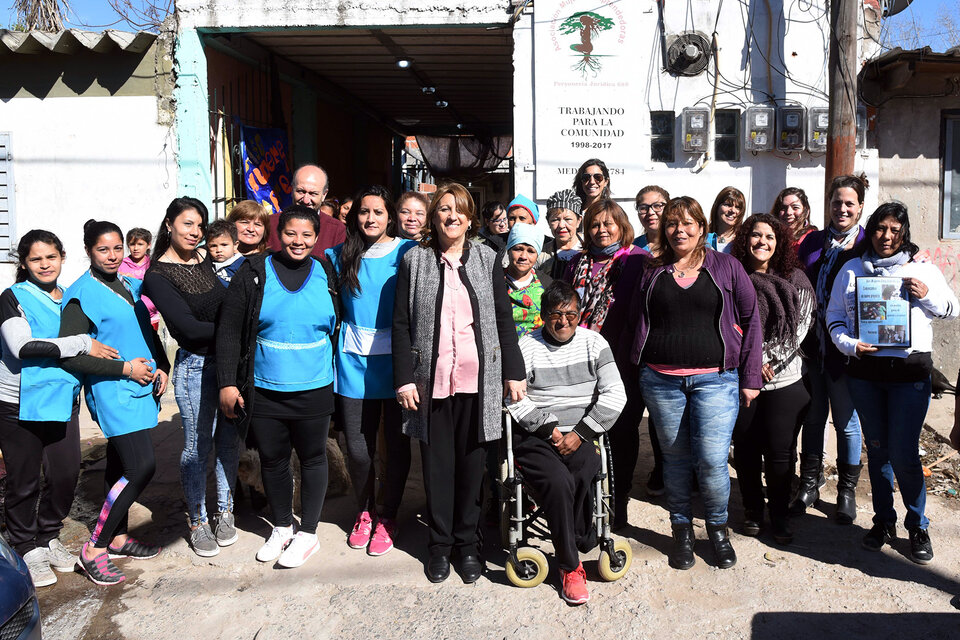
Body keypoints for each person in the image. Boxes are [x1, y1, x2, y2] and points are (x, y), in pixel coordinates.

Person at [392, 182, 525, 584]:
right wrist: (404, 379)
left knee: (472, 467)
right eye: (444, 209)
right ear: (434, 217)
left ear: (470, 217)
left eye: (460, 209)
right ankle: (440, 546)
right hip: (429, 384)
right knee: (436, 468)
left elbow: (503, 319)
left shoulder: (487, 258)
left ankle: (468, 546)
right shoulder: (415, 260)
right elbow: (400, 324)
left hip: (477, 381)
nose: (452, 216)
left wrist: (513, 371)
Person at [627, 196, 761, 571]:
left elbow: (751, 320)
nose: (679, 230)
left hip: (716, 381)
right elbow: (635, 321)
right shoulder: (651, 269)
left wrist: (750, 376)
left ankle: (717, 531)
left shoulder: (727, 266)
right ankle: (681, 530)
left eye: (688, 223)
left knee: (713, 460)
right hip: (660, 381)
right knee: (674, 460)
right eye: (672, 223)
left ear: (702, 228)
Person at [827, 202, 958, 564]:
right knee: (879, 450)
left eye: (894, 230)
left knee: (904, 453)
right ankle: (884, 520)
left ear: (904, 234)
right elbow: (834, 317)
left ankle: (918, 524)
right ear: (872, 230)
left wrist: (926, 294)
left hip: (909, 377)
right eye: (881, 229)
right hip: (866, 376)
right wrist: (850, 345)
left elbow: (951, 308)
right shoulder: (852, 270)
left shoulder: (922, 270)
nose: (886, 237)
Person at [217, 205, 339, 569]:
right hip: (265, 387)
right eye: (290, 233)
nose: (298, 241)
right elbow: (229, 330)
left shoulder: (326, 271)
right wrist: (226, 382)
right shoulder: (254, 273)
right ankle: (283, 526)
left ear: (316, 238)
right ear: (277, 234)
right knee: (273, 459)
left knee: (314, 457)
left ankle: (309, 533)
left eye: (306, 235)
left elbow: (339, 322)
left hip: (315, 386)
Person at [0, 230, 118, 588]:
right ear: (24, 263)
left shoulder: (70, 300)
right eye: (36, 259)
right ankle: (25, 545)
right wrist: (82, 342)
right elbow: (23, 346)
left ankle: (48, 534)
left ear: (62, 257)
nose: (45, 264)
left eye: (51, 257)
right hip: (17, 404)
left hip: (62, 401)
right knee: (23, 481)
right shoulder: (12, 297)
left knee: (66, 475)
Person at [61, 219, 170, 585]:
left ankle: (119, 537)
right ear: (88, 251)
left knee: (119, 463)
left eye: (117, 248)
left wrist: (162, 365)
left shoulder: (126, 283)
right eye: (102, 249)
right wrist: (125, 368)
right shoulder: (81, 295)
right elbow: (71, 356)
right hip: (113, 391)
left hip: (139, 386)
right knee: (141, 467)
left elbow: (144, 329)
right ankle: (95, 548)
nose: (112, 255)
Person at [505, 281, 626, 605]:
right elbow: (513, 399)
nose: (563, 321)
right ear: (543, 316)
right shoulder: (526, 346)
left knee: (586, 466)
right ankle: (570, 565)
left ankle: (577, 536)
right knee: (558, 482)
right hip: (536, 435)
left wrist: (581, 433)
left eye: (570, 314)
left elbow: (616, 394)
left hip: (581, 432)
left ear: (579, 315)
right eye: (556, 314)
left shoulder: (594, 344)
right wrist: (550, 430)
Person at [143, 198, 237, 558]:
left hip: (228, 363)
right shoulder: (157, 275)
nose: (196, 232)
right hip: (196, 368)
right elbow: (188, 328)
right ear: (169, 225)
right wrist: (236, 329)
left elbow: (232, 303)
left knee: (228, 442)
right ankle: (197, 520)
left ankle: (224, 511)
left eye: (200, 225)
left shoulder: (205, 260)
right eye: (187, 224)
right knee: (198, 449)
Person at [325, 186, 416, 557]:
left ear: (390, 216)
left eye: (378, 212)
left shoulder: (408, 252)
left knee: (396, 446)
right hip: (352, 364)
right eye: (364, 212)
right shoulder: (337, 256)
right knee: (359, 450)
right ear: (354, 216)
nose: (370, 218)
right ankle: (364, 511)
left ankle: (389, 514)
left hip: (396, 365)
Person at [730, 214, 816, 544]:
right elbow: (726, 325)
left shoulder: (796, 281)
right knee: (747, 449)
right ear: (744, 240)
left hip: (786, 382)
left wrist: (766, 361)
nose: (762, 242)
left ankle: (779, 516)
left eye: (769, 237)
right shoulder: (733, 277)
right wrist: (749, 363)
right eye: (755, 235)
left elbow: (799, 329)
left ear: (779, 244)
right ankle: (753, 510)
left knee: (781, 454)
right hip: (742, 380)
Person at [562, 198, 646, 528]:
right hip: (581, 362)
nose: (601, 230)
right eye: (595, 224)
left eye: (609, 223)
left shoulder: (639, 261)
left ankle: (619, 501)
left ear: (622, 227)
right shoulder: (576, 263)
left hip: (623, 361)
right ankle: (586, 500)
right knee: (585, 430)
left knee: (622, 432)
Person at [794, 174, 869, 523]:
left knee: (846, 422)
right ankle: (809, 483)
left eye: (849, 203)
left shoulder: (867, 246)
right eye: (836, 202)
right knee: (813, 416)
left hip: (846, 352)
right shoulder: (811, 243)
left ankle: (846, 491)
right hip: (811, 347)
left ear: (860, 207)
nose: (842, 208)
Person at [266, 165, 346, 258]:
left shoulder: (337, 230)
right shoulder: (269, 224)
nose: (306, 200)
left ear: (324, 194)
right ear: (292, 190)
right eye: (301, 191)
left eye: (313, 193)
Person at [504, 223, 551, 337]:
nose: (523, 256)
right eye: (518, 249)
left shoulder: (547, 284)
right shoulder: (495, 281)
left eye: (531, 251)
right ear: (508, 250)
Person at [119, 228, 160, 329]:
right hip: (130, 316)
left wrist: (136, 282)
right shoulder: (121, 264)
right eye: (132, 244)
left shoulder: (154, 264)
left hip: (152, 316)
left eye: (140, 244)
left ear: (148, 245)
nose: (135, 248)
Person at [541, 189, 583, 280]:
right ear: (548, 222)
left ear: (579, 221)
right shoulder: (541, 255)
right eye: (555, 220)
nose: (561, 225)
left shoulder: (590, 249)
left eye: (568, 219)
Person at [206, 219, 246, 286]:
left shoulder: (242, 265)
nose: (218, 250)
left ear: (235, 245)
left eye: (224, 245)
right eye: (213, 246)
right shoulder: (207, 262)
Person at [708, 186, 746, 254]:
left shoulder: (744, 240)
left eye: (738, 207)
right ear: (717, 207)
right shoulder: (703, 237)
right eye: (727, 205)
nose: (733, 210)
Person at [632, 185, 669, 256]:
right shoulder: (631, 249)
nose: (650, 212)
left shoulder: (681, 243)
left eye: (657, 206)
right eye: (643, 208)